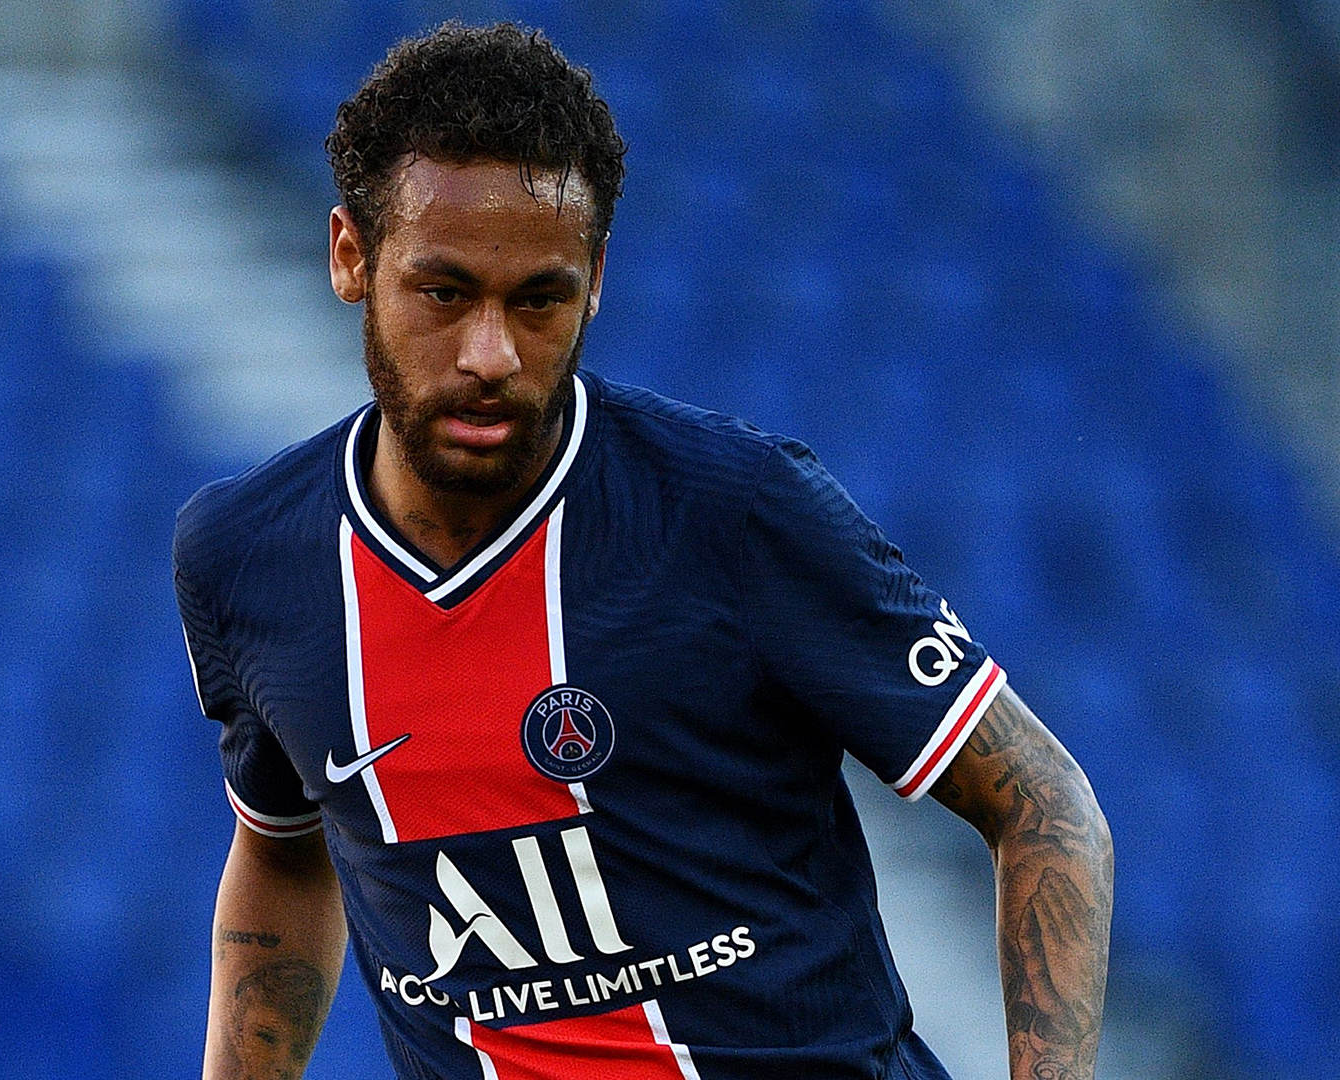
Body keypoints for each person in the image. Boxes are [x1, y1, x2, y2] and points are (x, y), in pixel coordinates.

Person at [175, 21, 1112, 1080]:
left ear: (598, 278)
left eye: (539, 300)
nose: (490, 354)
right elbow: (283, 850)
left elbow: (1039, 796)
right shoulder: (246, 557)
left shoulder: (735, 511)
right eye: (443, 293)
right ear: (351, 256)